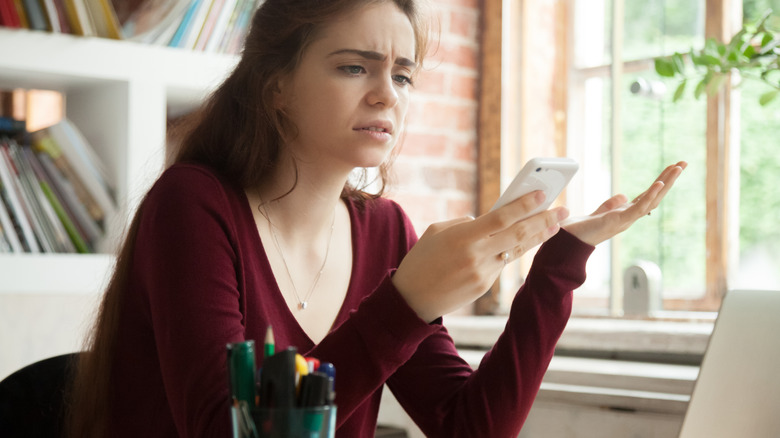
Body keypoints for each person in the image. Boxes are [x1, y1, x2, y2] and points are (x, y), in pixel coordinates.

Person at [66, 0, 686, 437]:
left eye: (404, 74)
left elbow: (468, 425)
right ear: (274, 85)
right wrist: (406, 302)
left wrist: (557, 268)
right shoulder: (193, 205)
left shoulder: (385, 230)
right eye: (354, 66)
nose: (388, 93)